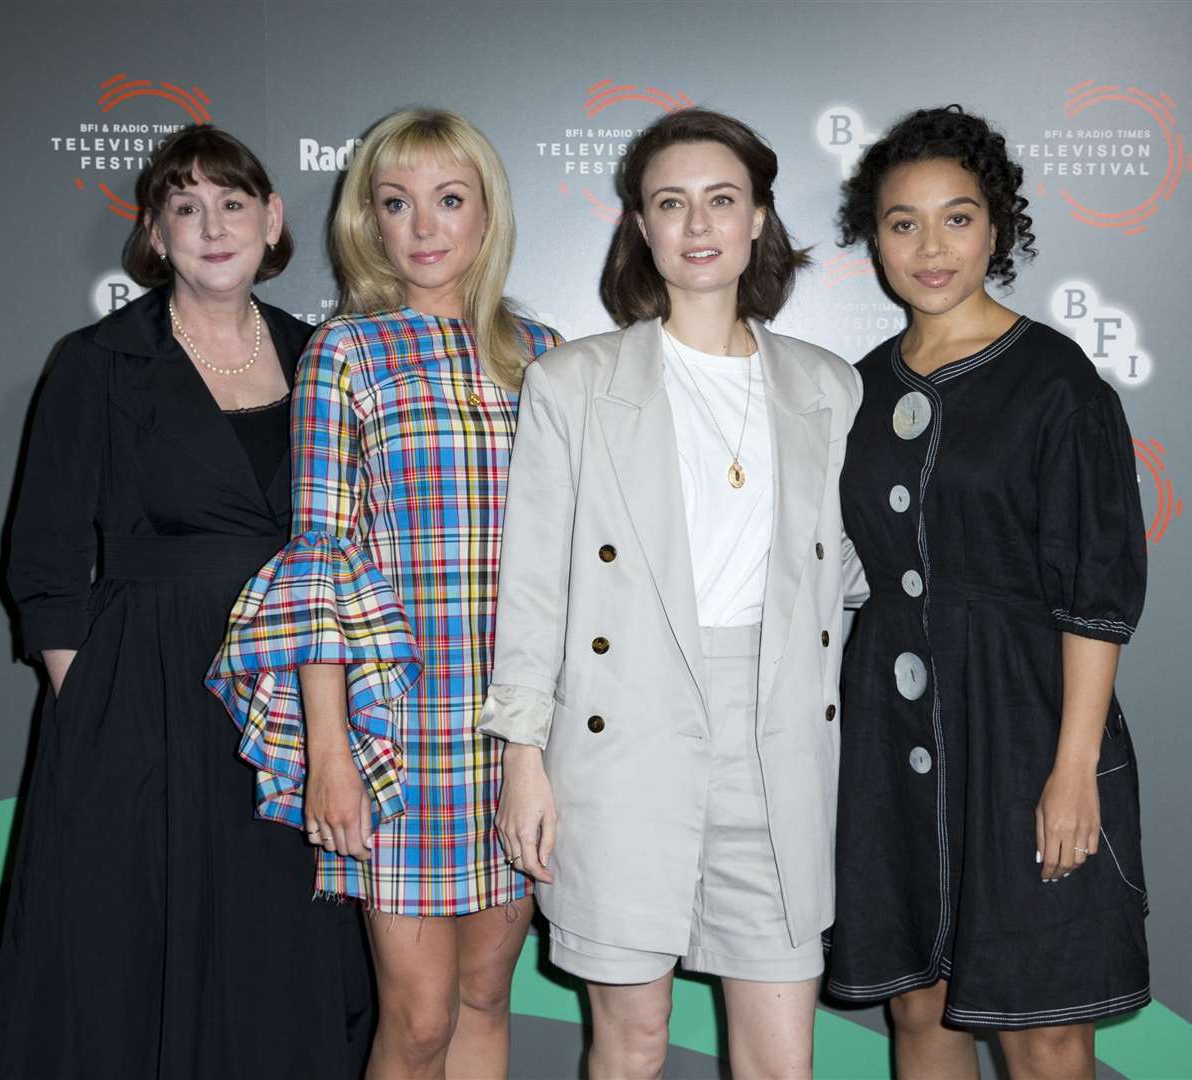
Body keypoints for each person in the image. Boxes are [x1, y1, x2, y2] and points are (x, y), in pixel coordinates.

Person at [0, 126, 371, 1078]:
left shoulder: (324, 356)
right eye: (185, 207)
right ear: (154, 234)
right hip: (142, 689)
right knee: (128, 944)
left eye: (233, 203)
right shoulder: (97, 361)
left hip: (293, 690)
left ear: (273, 221)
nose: (212, 226)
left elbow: (353, 544)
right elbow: (44, 560)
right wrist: (98, 705)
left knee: (279, 943)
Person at [482, 108, 862, 1080]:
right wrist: (522, 757)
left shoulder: (829, 388)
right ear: (640, 228)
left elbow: (851, 576)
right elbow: (533, 586)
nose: (698, 225)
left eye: (721, 200)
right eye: (671, 203)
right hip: (623, 736)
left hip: (778, 741)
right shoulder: (571, 383)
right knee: (631, 1044)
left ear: (758, 220)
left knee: (781, 1062)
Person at [205, 109, 560, 1080]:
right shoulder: (344, 354)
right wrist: (329, 752)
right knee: (417, 1021)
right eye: (396, 204)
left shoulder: (544, 354)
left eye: (448, 199)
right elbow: (317, 560)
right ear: (369, 221)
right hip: (398, 729)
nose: (424, 226)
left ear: (485, 213)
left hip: (518, 727)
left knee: (489, 997)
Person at [824, 105, 1151, 1080]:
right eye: (902, 222)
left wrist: (1071, 772)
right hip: (889, 737)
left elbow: (1096, 591)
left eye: (956, 218)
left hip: (1025, 731)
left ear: (997, 227)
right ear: (872, 236)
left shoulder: (1056, 381)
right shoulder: (857, 390)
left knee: (1043, 1025)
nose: (930, 247)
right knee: (919, 1014)